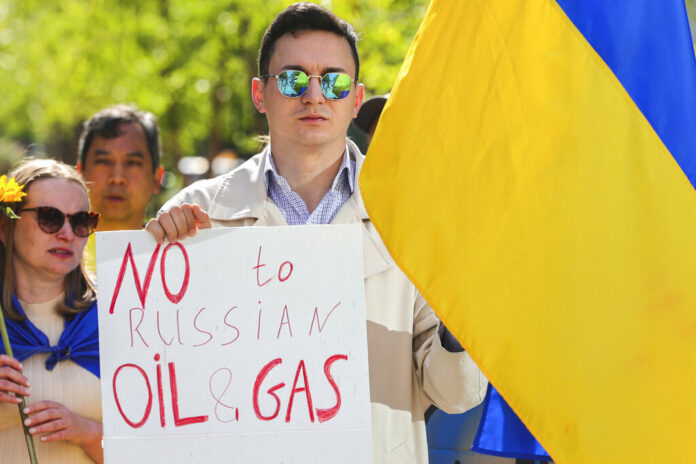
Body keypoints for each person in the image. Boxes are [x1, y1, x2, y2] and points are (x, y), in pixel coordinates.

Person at [145, 3, 486, 462]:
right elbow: (162, 379)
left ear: (356, 97)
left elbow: (455, 396)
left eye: (335, 80)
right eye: (292, 79)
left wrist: (459, 322)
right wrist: (157, 263)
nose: (314, 95)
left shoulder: (413, 219)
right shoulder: (195, 216)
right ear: (259, 94)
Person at [0, 159, 102, 463]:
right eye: (50, 217)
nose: (67, 234)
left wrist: (87, 432)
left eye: (81, 221)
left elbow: (152, 449)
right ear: (5, 227)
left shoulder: (119, 317)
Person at [76, 104, 163, 273]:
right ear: (79, 173)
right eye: (103, 161)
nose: (117, 178)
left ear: (157, 178)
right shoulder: (56, 256)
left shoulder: (174, 260)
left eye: (132, 163)